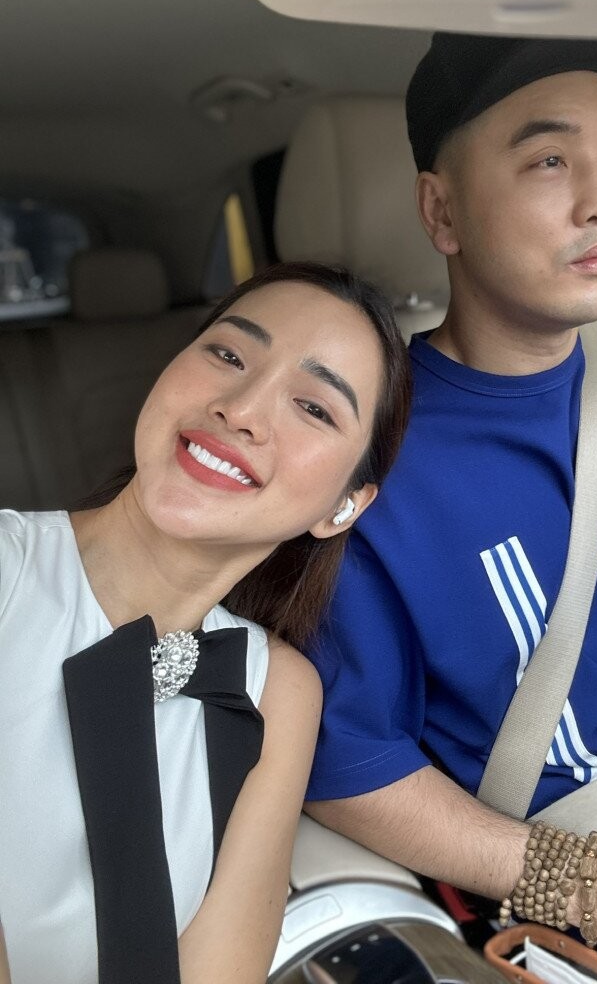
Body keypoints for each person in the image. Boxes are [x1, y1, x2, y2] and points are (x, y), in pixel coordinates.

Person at [303, 35, 597, 984]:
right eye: (550, 159)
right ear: (441, 211)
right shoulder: (370, 462)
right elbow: (345, 766)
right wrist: (583, 885)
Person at [0, 260, 412, 984]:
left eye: (314, 408)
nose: (242, 408)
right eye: (227, 354)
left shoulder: (275, 693)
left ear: (343, 506)